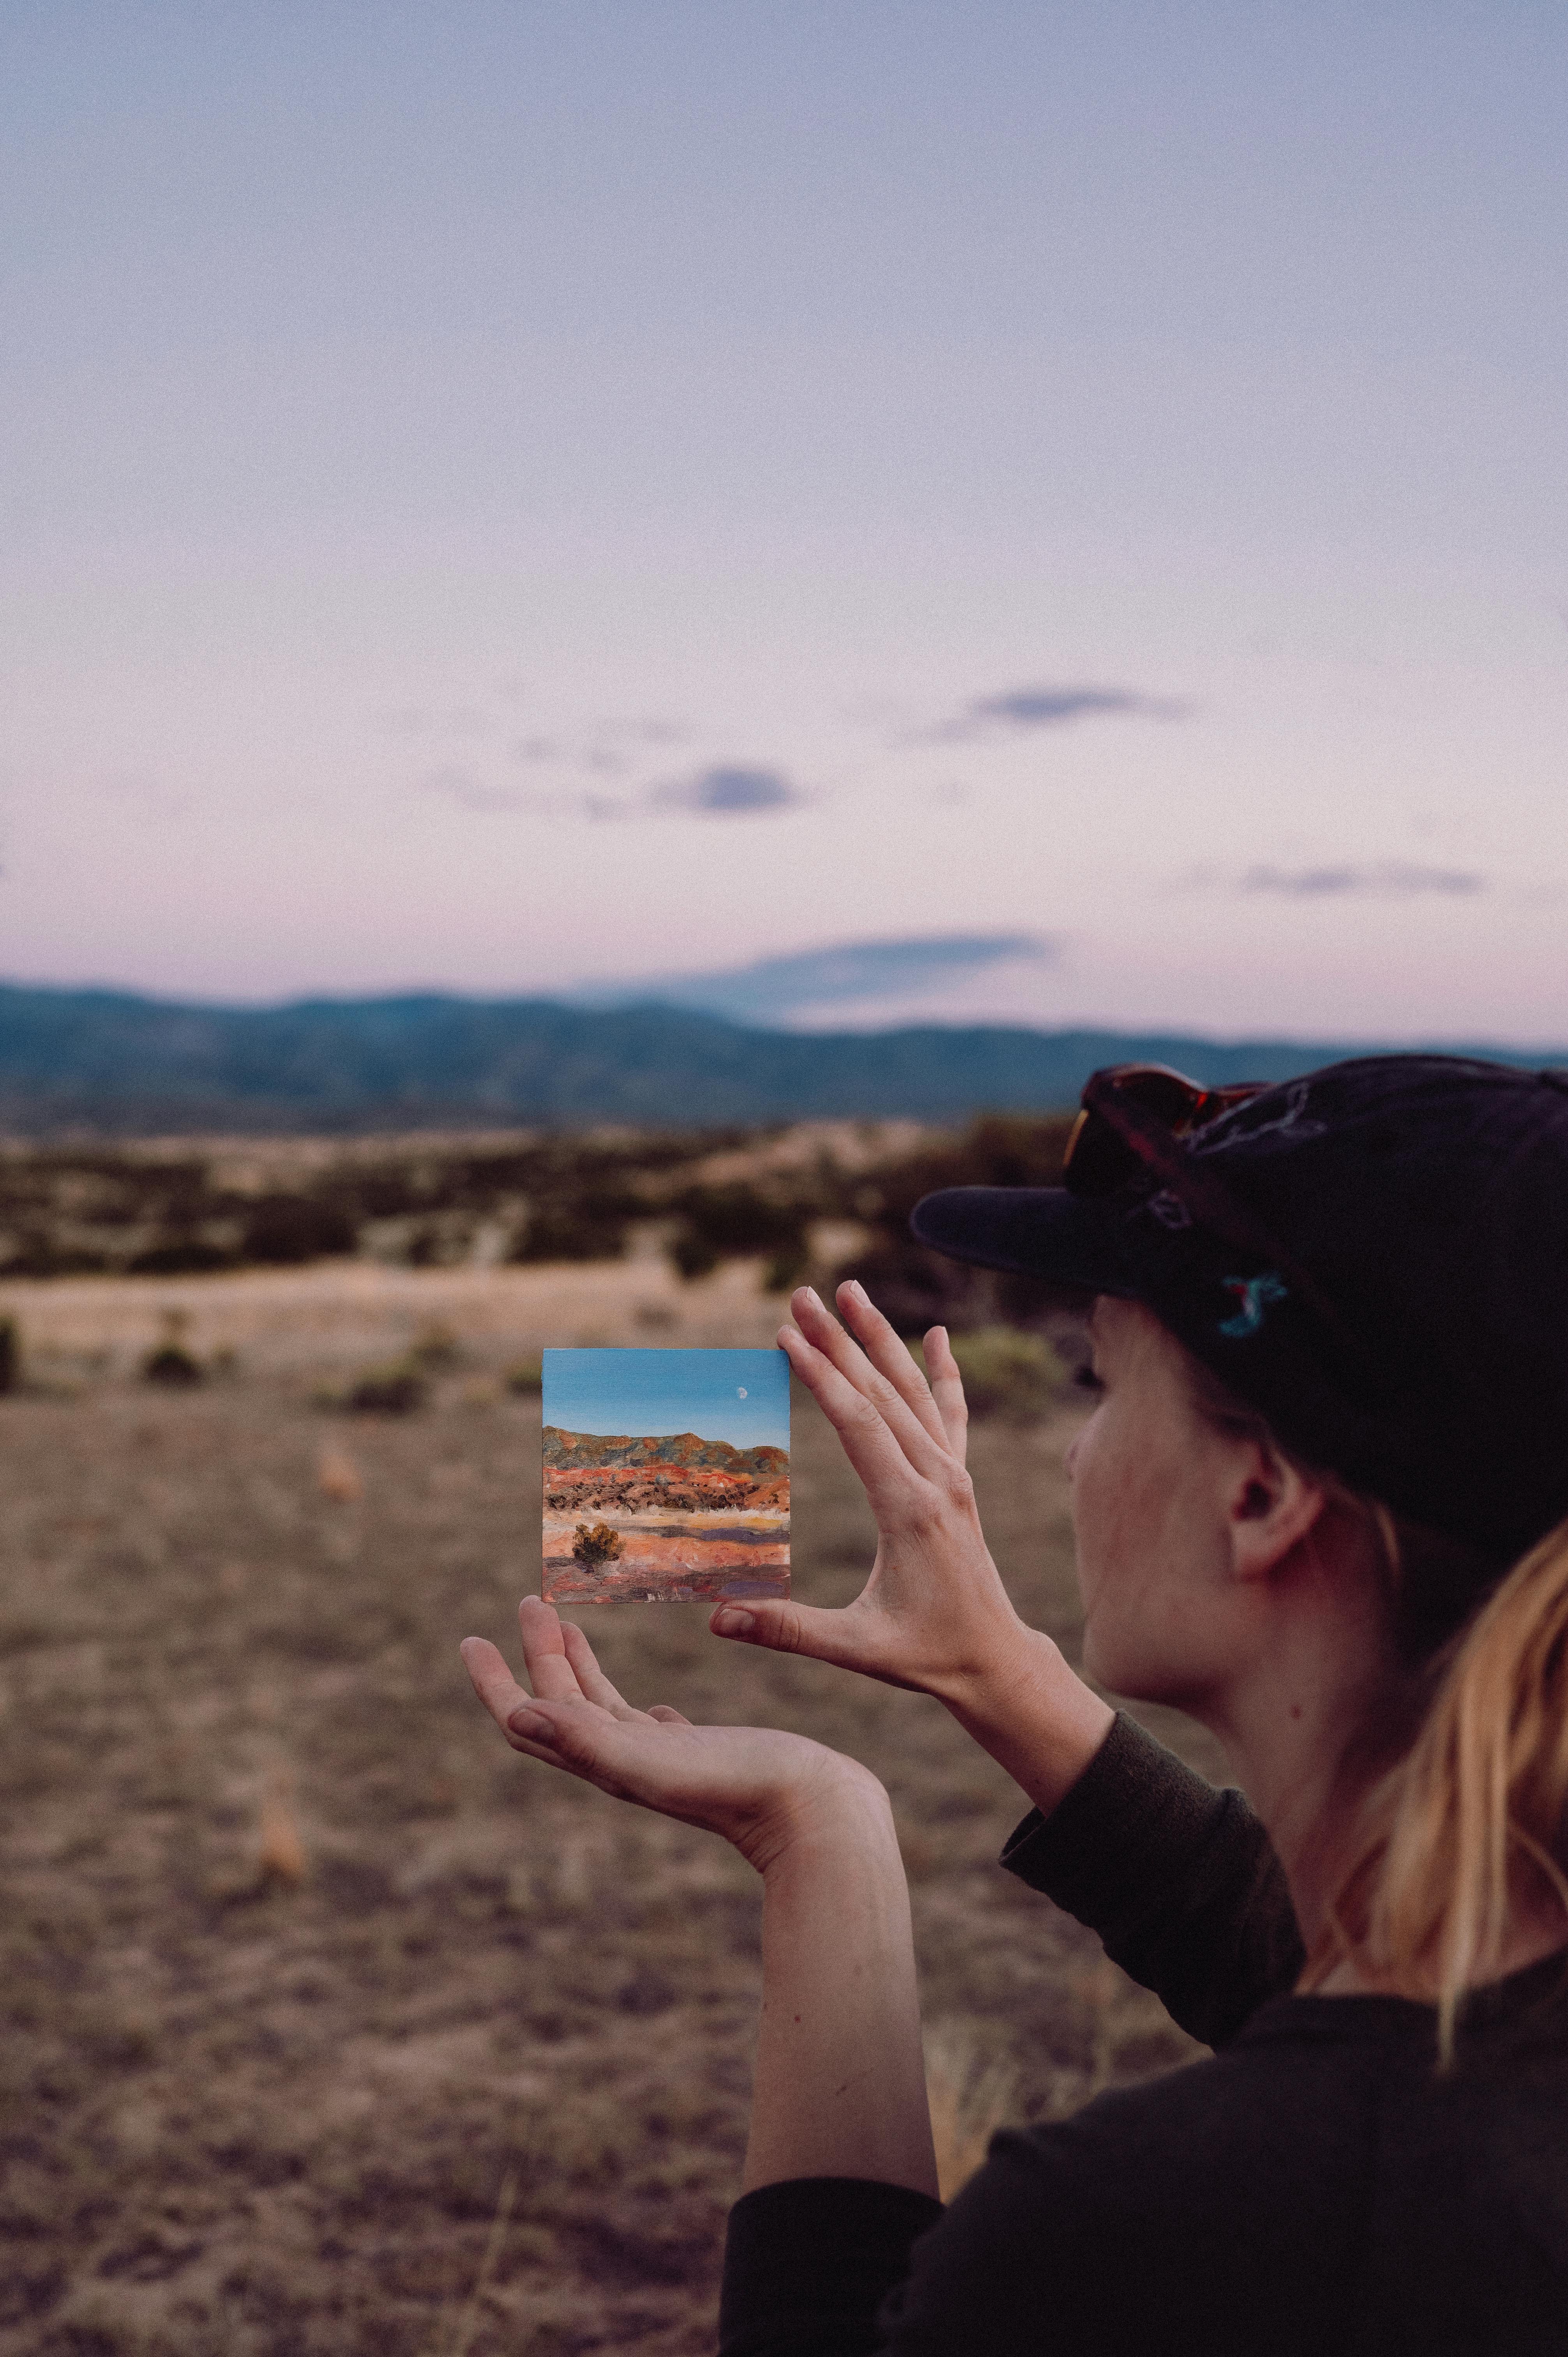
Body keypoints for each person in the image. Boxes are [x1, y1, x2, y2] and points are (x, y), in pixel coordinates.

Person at [461, 1055, 1568, 2354]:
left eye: (1102, 1385)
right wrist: (996, 1668)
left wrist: (812, 1836)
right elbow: (1323, 1979)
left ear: (1260, 1498)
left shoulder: (1142, 2236)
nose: (1074, 1447)